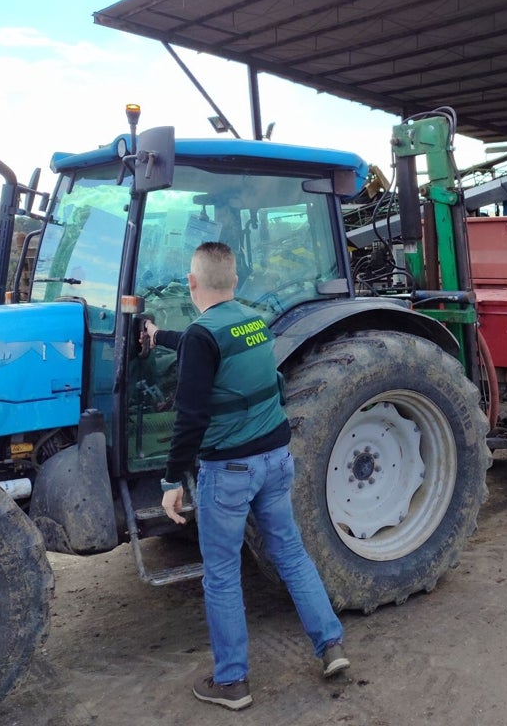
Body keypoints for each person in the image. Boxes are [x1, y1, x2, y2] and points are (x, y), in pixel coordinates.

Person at [147, 241, 350, 712]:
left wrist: (171, 480)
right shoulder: (253, 320)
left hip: (230, 470)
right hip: (275, 458)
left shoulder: (204, 335)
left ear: (191, 284)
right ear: (234, 281)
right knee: (292, 554)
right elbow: (212, 349)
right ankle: (331, 646)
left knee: (220, 575)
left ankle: (232, 681)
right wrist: (160, 336)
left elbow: (190, 415)